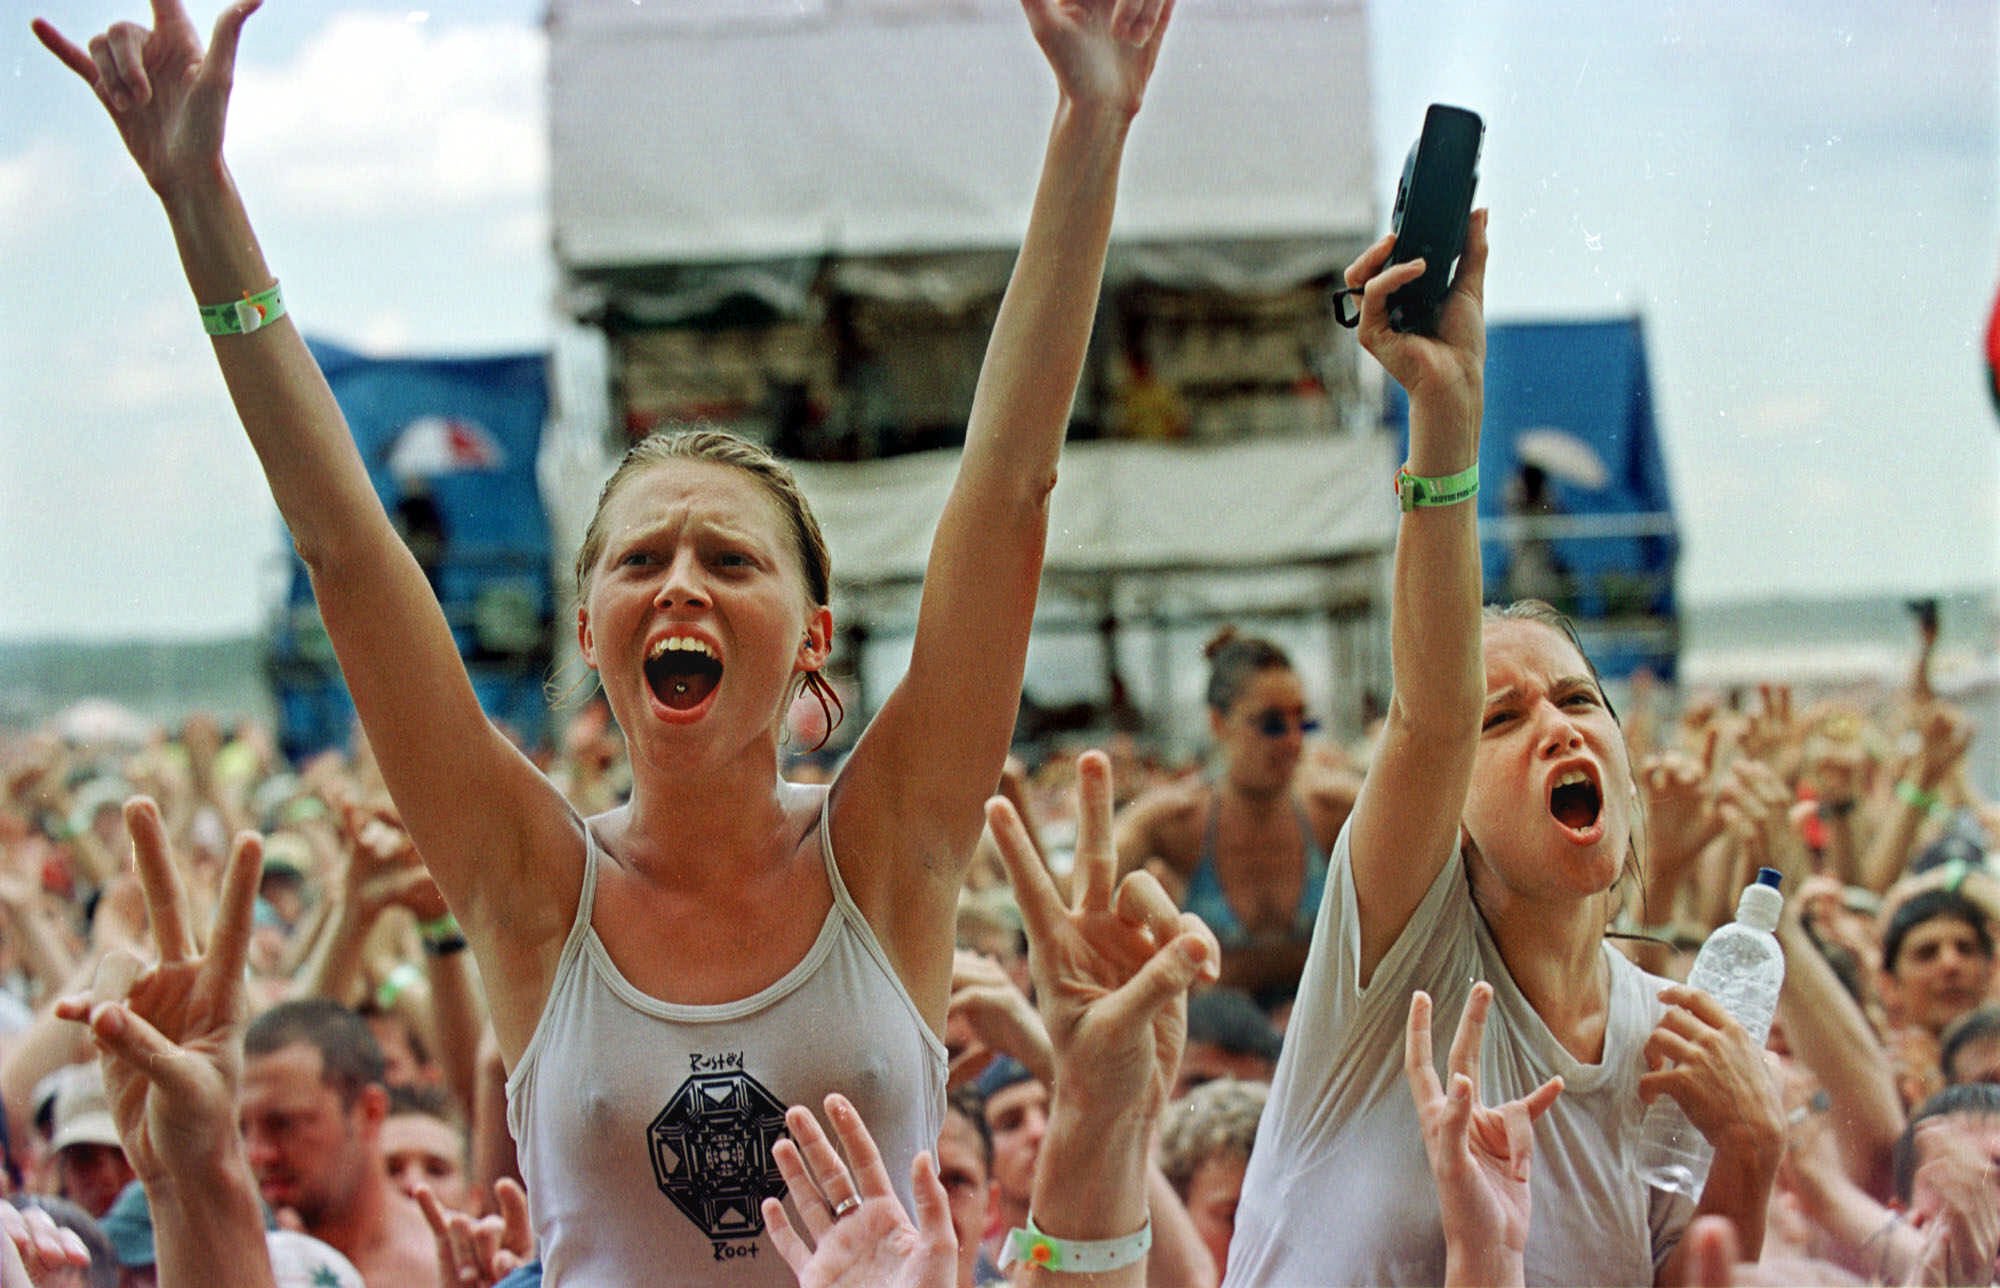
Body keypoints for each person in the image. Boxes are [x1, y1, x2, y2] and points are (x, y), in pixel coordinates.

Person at [34, 0, 1177, 1280]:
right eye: (642, 559)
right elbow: (348, 556)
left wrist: (1091, 125)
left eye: (730, 559)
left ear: (814, 637)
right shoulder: (532, 888)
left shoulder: (890, 846)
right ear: (590, 627)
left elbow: (1009, 489)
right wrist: (199, 200)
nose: (680, 584)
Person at [1224, 213, 1784, 1286]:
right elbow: (1428, 713)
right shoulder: (1391, 954)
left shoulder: (1674, 1039)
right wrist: (1442, 411)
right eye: (1505, 715)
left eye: (1577, 699)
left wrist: (1752, 1148)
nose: (1557, 725)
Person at [1115, 629, 1360, 1003]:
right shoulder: (1175, 821)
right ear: (1218, 723)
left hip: (1314, 1023)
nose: (1294, 742)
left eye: (1303, 722)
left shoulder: (1335, 810)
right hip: (1217, 1039)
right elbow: (1072, 899)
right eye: (1273, 725)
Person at [239, 999, 438, 1285]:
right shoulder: (233, 1263)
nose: (256, 1153)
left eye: (284, 1124)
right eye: (242, 1129)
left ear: (369, 1112)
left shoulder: (443, 1270)